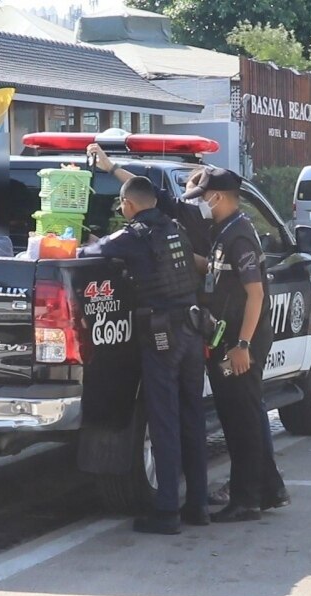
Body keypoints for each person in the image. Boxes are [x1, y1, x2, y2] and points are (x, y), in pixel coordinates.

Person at [87, 147, 289, 522]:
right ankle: (263, 490)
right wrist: (171, 250)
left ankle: (247, 498)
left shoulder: (239, 235)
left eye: (203, 198)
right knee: (231, 414)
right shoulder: (220, 231)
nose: (199, 205)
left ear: (219, 197)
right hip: (214, 335)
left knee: (242, 416)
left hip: (237, 341)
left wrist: (243, 345)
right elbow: (202, 261)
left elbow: (255, 292)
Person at [78, 176, 209, 534]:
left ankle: (167, 511)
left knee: (163, 419)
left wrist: (89, 242)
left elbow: (88, 254)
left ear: (130, 205)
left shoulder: (132, 236)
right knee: (192, 416)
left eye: (122, 206)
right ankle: (198, 504)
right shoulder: (175, 229)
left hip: (163, 335)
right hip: (193, 330)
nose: (122, 211)